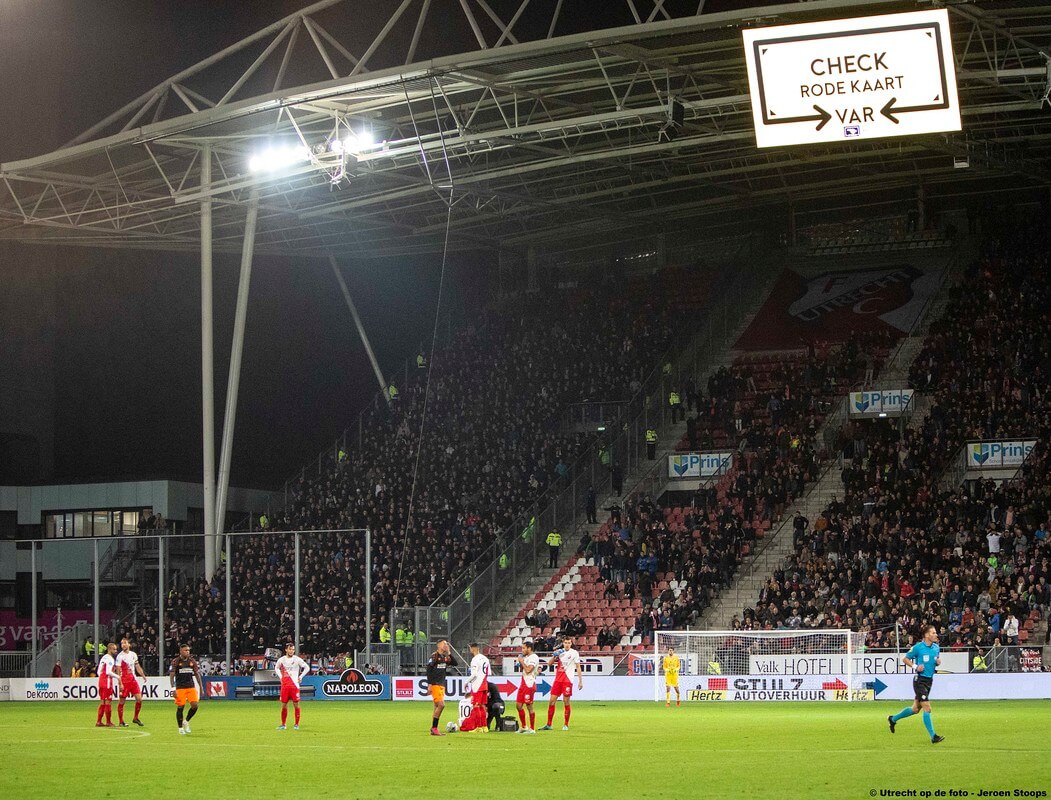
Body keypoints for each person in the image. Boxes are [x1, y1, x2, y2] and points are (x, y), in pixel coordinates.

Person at [887, 624, 944, 744]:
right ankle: (933, 736)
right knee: (927, 708)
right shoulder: (918, 647)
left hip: (929, 681)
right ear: (927, 635)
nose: (936, 634)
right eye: (933, 633)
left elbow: (935, 661)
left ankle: (893, 719)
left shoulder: (936, 648)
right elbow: (905, 659)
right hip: (920, 681)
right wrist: (915, 666)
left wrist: (938, 662)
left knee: (915, 709)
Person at [540, 636, 582, 731]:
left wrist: (580, 681)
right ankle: (549, 724)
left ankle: (566, 724)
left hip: (567, 680)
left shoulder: (574, 653)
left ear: (571, 644)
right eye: (566, 643)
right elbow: (549, 664)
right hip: (558, 680)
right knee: (551, 701)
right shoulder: (559, 652)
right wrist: (554, 656)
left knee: (566, 702)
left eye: (569, 643)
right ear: (563, 643)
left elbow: (578, 667)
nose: (567, 644)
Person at [169, 644, 204, 735]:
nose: (187, 652)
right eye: (185, 650)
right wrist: (173, 689)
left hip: (190, 686)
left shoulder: (192, 661)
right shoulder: (176, 661)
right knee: (181, 707)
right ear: (180, 651)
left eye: (188, 650)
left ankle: (186, 721)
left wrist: (201, 687)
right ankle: (180, 727)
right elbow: (172, 675)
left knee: (195, 706)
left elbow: (197, 674)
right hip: (180, 687)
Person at [275, 642, 310, 730]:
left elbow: (307, 667)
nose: (292, 651)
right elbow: (276, 668)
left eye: (293, 649)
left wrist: (301, 676)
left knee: (296, 705)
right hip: (285, 686)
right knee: (284, 705)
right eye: (290, 649)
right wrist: (281, 677)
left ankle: (296, 724)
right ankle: (283, 724)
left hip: (294, 686)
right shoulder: (281, 660)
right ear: (286, 650)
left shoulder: (297, 659)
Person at [115, 638, 147, 727]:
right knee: (122, 701)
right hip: (124, 681)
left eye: (124, 643)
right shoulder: (120, 656)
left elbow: (137, 666)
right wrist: (120, 682)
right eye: (121, 643)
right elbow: (118, 670)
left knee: (139, 699)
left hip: (133, 680)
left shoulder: (133, 654)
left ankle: (135, 718)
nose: (123, 645)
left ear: (129, 644)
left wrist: (143, 675)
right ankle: (121, 721)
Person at [459, 643, 490, 733]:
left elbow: (474, 674)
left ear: (473, 649)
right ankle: (485, 726)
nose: (470, 650)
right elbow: (488, 672)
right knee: (482, 706)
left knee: (476, 705)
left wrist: (466, 682)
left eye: (470, 648)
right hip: (484, 684)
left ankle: (479, 727)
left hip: (477, 685)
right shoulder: (485, 659)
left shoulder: (475, 660)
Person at [425, 640, 454, 736]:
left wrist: (449, 652)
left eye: (446, 644)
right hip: (435, 684)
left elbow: (455, 663)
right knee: (441, 705)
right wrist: (429, 684)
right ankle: (434, 728)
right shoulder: (435, 656)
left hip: (441, 684)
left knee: (437, 706)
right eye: (444, 644)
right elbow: (429, 669)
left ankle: (433, 729)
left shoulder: (444, 657)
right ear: (439, 645)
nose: (446, 645)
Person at [515, 640, 541, 734]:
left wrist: (521, 662)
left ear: (529, 648)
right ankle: (524, 726)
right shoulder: (527, 657)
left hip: (529, 684)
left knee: (529, 706)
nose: (522, 650)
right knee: (518, 706)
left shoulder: (533, 657)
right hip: (523, 683)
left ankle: (532, 728)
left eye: (523, 648)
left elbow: (529, 670)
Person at [95, 642, 118, 728]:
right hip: (107, 682)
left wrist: (102, 677)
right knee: (108, 702)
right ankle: (108, 722)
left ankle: (99, 721)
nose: (116, 651)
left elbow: (98, 672)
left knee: (102, 702)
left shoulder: (103, 658)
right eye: (114, 649)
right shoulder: (110, 659)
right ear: (109, 649)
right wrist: (118, 677)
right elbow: (108, 672)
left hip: (101, 681)